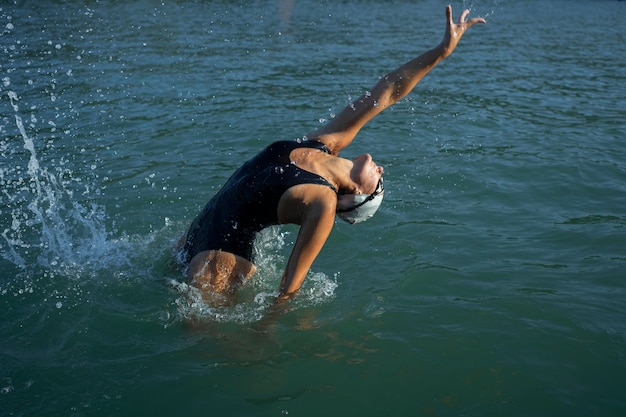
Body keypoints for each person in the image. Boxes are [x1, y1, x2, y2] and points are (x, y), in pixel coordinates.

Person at [176, 6, 485, 303]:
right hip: (193, 233)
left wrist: (264, 329)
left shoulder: (323, 202)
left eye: (379, 186)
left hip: (221, 260)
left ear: (355, 197)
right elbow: (388, 91)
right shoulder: (325, 143)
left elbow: (288, 288)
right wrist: (441, 52)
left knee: (204, 345)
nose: (382, 171)